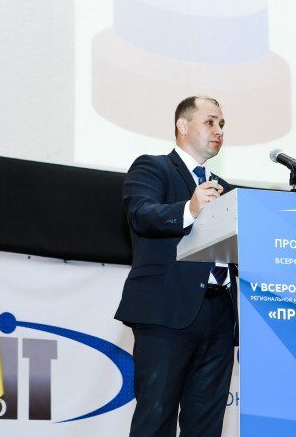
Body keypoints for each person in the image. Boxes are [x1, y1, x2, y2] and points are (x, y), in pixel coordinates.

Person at [115, 96, 237, 437]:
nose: (218, 130)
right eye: (210, 121)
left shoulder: (225, 189)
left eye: (222, 124)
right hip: (166, 311)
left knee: (206, 426)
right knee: (156, 420)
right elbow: (141, 215)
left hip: (220, 316)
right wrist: (190, 208)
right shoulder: (152, 168)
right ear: (183, 125)